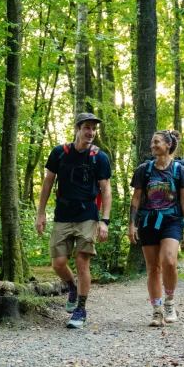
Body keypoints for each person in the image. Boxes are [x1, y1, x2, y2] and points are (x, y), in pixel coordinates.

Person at [35, 113, 113, 329]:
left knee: (82, 260)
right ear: (77, 128)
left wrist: (104, 221)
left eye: (94, 129)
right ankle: (71, 287)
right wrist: (40, 214)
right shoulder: (60, 153)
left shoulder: (100, 157)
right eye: (87, 128)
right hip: (62, 215)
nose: (91, 133)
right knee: (58, 263)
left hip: (88, 215)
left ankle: (81, 308)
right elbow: (47, 183)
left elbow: (106, 190)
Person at [128, 130, 184, 327]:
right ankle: (157, 311)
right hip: (148, 222)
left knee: (169, 261)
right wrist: (131, 225)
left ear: (168, 145)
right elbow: (136, 198)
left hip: (172, 221)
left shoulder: (180, 171)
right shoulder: (144, 170)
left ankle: (170, 303)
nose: (152, 145)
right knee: (153, 268)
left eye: (156, 142)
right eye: (151, 142)